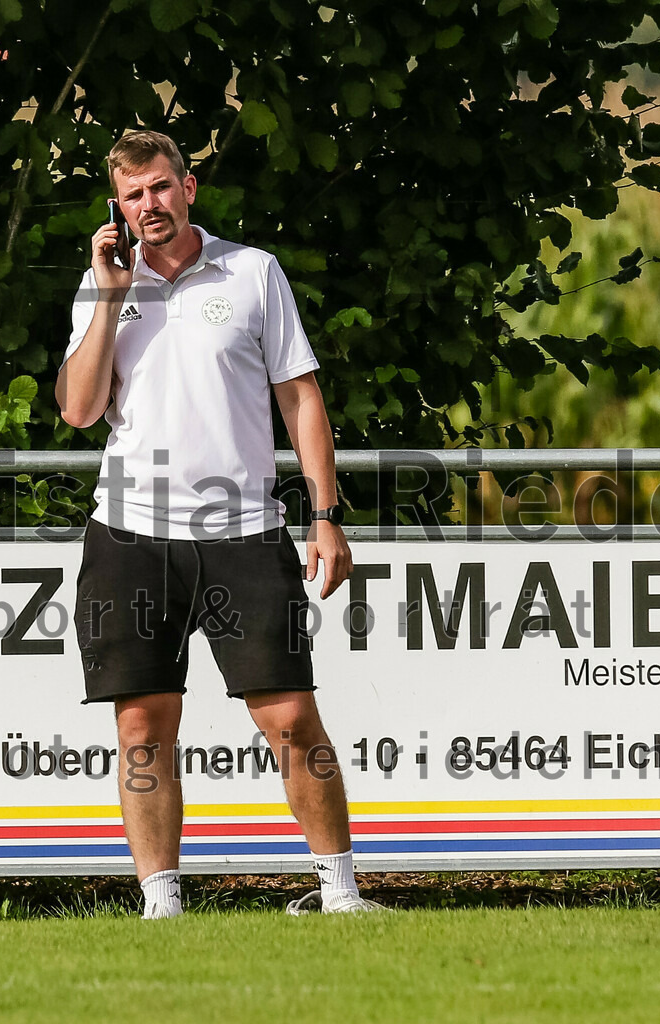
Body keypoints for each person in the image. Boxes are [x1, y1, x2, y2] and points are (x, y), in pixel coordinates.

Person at [55, 130, 383, 918]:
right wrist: (106, 293)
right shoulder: (101, 286)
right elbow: (78, 408)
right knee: (142, 724)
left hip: (243, 531)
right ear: (117, 207)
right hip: (130, 533)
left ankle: (340, 893)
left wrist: (326, 516)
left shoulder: (251, 272)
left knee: (292, 716)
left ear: (188, 186)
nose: (149, 207)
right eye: (132, 196)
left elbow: (300, 400)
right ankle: (161, 905)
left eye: (160, 188)